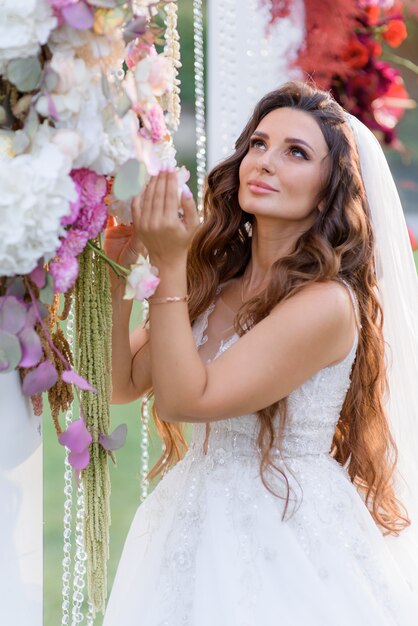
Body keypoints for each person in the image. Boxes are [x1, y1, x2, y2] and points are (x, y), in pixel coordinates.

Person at [102, 81, 418, 626]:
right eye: (259, 144)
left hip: (282, 535)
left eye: (296, 153)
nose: (265, 162)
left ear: (329, 191)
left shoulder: (327, 304)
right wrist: (116, 275)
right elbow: (122, 384)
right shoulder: (220, 281)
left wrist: (170, 266)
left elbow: (185, 399)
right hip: (190, 520)